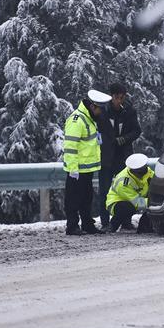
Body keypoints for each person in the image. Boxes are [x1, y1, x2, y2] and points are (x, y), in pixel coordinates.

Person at [63, 89, 111, 235]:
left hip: (87, 169)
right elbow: (70, 146)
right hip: (77, 169)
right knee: (73, 199)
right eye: (100, 110)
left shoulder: (89, 119)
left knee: (86, 198)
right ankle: (72, 226)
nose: (101, 113)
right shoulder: (77, 120)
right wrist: (73, 169)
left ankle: (87, 224)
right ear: (92, 107)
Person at [97, 81, 142, 230]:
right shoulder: (102, 111)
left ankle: (125, 221)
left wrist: (124, 139)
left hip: (124, 157)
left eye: (122, 97)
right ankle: (105, 222)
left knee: (126, 190)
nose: (119, 101)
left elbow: (137, 131)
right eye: (117, 97)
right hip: (106, 157)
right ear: (111, 97)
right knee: (104, 191)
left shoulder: (130, 111)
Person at [105, 153, 154, 233]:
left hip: (137, 200)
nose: (143, 173)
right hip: (116, 203)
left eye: (144, 169)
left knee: (152, 202)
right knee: (127, 207)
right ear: (133, 171)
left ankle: (145, 227)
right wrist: (154, 202)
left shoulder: (147, 172)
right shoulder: (123, 181)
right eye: (140, 172)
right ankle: (112, 226)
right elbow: (137, 202)